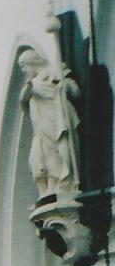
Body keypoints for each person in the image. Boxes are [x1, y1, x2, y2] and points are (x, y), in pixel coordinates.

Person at [17, 48, 81, 196]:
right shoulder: (32, 84)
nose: (24, 71)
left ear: (32, 63)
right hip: (41, 128)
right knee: (36, 159)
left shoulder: (55, 74)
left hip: (56, 123)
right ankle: (44, 192)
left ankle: (57, 185)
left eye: (24, 66)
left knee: (54, 155)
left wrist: (64, 85)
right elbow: (23, 100)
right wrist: (29, 88)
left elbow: (75, 92)